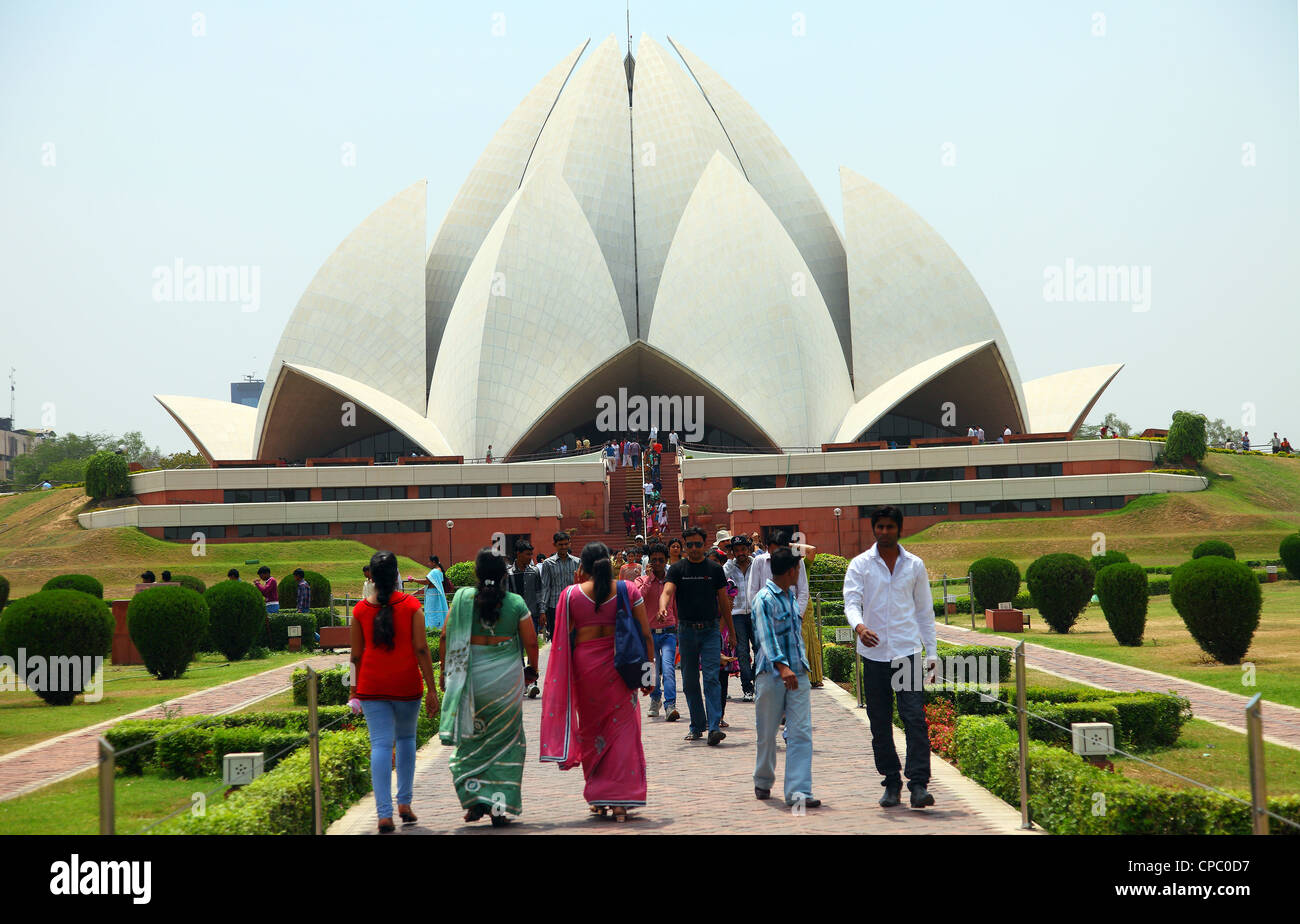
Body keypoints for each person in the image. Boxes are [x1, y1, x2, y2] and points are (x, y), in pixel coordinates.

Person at [540, 542, 654, 820]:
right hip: (621, 669)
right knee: (624, 730)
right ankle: (620, 800)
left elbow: (563, 641)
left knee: (592, 732)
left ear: (582, 568)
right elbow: (646, 634)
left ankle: (598, 795)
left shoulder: (570, 595)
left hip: (586, 672)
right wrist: (648, 675)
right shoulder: (627, 590)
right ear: (610, 564)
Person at [843, 505, 937, 809]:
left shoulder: (915, 566)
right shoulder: (860, 565)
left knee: (914, 718)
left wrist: (931, 654)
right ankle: (892, 781)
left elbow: (924, 612)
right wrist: (859, 626)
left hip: (907, 653)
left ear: (900, 529)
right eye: (879, 527)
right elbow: (851, 601)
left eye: (889, 527)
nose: (884, 532)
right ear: (874, 529)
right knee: (879, 721)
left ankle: (919, 784)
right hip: (873, 655)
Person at [439, 548, 539, 826]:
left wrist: (445, 673)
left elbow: (445, 635)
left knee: (472, 740)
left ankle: (474, 801)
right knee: (506, 742)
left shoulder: (462, 599)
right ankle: (497, 805)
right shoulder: (516, 602)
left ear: (477, 574)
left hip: (471, 682)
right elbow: (531, 642)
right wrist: (532, 669)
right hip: (505, 684)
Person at [349, 550, 438, 833]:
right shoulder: (412, 606)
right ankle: (405, 804)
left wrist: (353, 690)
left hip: (372, 686)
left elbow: (355, 656)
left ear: (371, 577)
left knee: (380, 745)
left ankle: (383, 814)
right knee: (407, 739)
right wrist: (433, 689)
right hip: (406, 685)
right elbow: (422, 649)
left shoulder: (360, 610)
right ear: (397, 575)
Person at [751, 548, 820, 808]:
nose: (799, 573)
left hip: (798, 673)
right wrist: (782, 668)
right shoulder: (764, 599)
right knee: (767, 732)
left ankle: (799, 791)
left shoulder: (790, 597)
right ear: (791, 570)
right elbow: (766, 638)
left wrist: (798, 667)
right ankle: (763, 779)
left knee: (801, 732)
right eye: (797, 569)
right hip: (771, 675)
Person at [659, 527, 734, 746]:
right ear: (684, 547)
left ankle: (713, 727)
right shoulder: (677, 569)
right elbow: (667, 591)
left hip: (710, 630)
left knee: (711, 678)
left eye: (697, 544)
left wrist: (732, 632)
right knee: (690, 682)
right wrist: (663, 607)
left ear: (704, 544)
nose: (693, 549)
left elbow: (723, 603)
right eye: (689, 545)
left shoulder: (714, 569)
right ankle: (696, 725)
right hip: (686, 631)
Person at [747, 531, 811, 683]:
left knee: (792, 646)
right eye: (772, 550)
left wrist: (797, 615)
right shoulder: (760, 562)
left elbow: (803, 592)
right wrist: (759, 612)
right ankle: (766, 677)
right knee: (765, 648)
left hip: (791, 615)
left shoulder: (798, 562)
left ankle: (795, 673)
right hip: (766, 614)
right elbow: (752, 591)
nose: (775, 554)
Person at [637, 542, 678, 721]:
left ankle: (670, 704)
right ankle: (654, 700)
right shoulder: (642, 580)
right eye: (654, 561)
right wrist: (649, 578)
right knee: (650, 668)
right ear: (650, 562)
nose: (658, 563)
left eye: (661, 560)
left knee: (668, 668)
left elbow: (676, 605)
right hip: (648, 633)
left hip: (668, 631)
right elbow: (637, 597)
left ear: (666, 560)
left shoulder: (672, 582)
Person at [722, 535, 757, 702]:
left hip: (756, 612)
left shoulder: (756, 564)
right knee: (742, 651)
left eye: (743, 549)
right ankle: (747, 688)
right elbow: (722, 576)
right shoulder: (730, 567)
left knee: (760, 649)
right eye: (737, 550)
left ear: (748, 549)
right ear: (733, 552)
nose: (741, 553)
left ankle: (757, 678)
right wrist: (729, 560)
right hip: (736, 614)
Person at [506, 540, 543, 698]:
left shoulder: (534, 572)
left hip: (532, 615)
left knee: (532, 648)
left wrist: (542, 612)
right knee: (517, 651)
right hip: (514, 617)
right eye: (527, 554)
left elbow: (539, 593)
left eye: (531, 554)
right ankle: (521, 683)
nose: (530, 557)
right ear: (518, 554)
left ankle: (532, 683)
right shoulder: (508, 573)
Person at [539, 530, 581, 641]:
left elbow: (580, 585)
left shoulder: (577, 562)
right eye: (560, 544)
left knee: (573, 640)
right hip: (554, 607)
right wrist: (542, 610)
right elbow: (545, 587)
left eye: (566, 544)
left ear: (569, 544)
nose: (563, 547)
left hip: (573, 607)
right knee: (557, 640)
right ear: (555, 545)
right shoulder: (548, 563)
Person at [413, 555, 449, 630]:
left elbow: (426, 582)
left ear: (433, 562)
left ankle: (431, 628)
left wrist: (414, 580)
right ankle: (437, 627)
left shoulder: (434, 572)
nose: (428, 563)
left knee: (431, 611)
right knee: (436, 610)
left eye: (429, 562)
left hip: (432, 594)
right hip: (435, 594)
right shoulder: (439, 570)